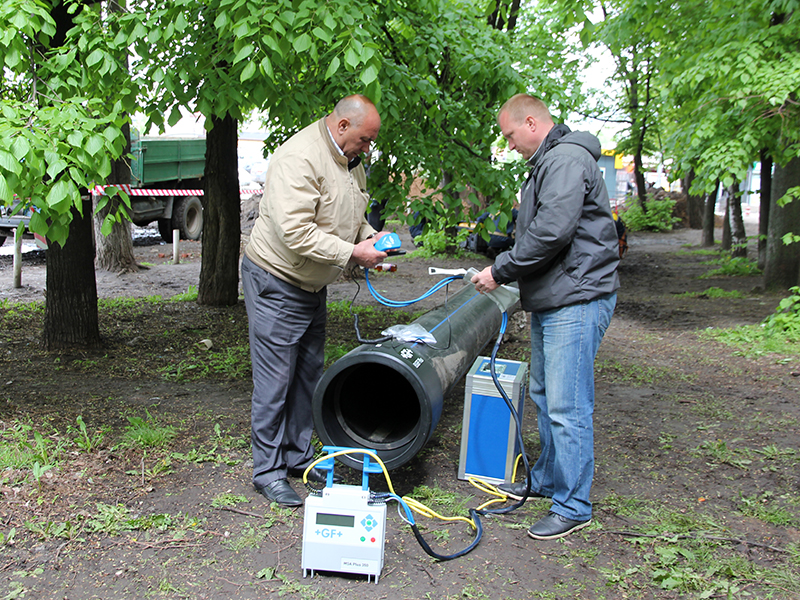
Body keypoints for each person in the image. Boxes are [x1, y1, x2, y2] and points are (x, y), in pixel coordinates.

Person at [471, 94, 620, 540]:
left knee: (567, 405)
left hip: (576, 299)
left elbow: (552, 231)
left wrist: (499, 270)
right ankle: (551, 479)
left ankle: (573, 505)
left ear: (531, 122)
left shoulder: (567, 160)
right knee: (544, 393)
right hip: (556, 297)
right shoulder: (551, 162)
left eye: (510, 134)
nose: (510, 143)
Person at [241, 95, 390, 507]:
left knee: (307, 374)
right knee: (275, 382)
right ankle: (267, 473)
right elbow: (296, 234)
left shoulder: (348, 160)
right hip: (277, 279)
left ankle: (296, 458)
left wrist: (367, 238)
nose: (367, 148)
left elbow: (352, 211)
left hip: (311, 285)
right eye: (364, 139)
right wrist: (352, 255)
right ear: (342, 126)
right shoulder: (299, 158)